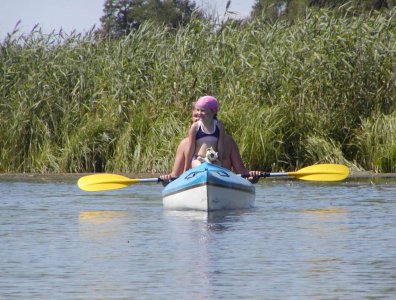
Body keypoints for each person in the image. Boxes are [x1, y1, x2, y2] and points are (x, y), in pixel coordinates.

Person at [161, 101, 261, 183]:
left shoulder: (228, 142)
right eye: (195, 115)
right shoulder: (184, 144)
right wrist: (166, 179)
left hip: (222, 182)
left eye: (202, 114)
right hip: (194, 181)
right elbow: (174, 176)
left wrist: (252, 177)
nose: (198, 118)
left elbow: (242, 173)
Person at [184, 96, 224, 170]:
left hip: (213, 160)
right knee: (200, 167)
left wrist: (222, 164)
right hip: (198, 159)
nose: (199, 113)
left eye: (203, 110)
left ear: (214, 111)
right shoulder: (195, 127)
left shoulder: (219, 126)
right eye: (198, 110)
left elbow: (220, 146)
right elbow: (190, 149)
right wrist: (186, 169)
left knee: (218, 165)